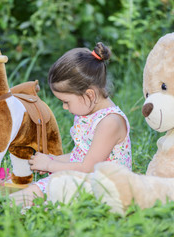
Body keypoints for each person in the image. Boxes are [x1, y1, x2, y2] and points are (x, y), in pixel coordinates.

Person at [9, 42, 132, 207]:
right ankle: (17, 204)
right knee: (39, 188)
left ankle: (30, 206)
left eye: (66, 101)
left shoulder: (110, 122)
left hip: (107, 189)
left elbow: (87, 167)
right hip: (84, 178)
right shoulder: (86, 111)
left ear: (89, 95)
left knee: (48, 189)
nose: (64, 107)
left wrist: (50, 165)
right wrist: (54, 160)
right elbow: (80, 155)